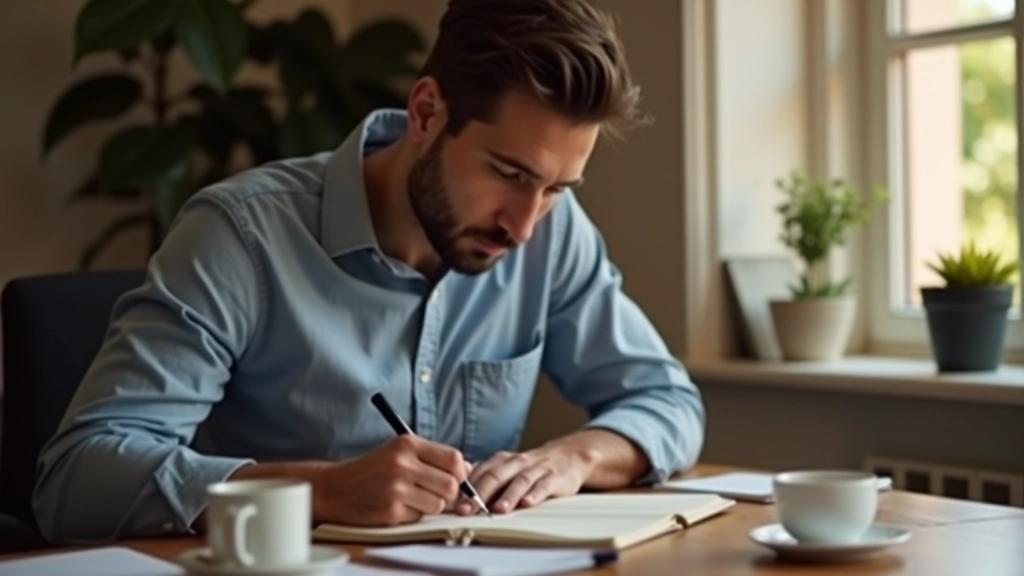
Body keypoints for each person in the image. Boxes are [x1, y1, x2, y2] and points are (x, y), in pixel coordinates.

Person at [32, 0, 705, 543]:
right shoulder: (240, 235)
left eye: (558, 187)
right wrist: (319, 490)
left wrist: (575, 457)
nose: (525, 225)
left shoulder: (552, 234)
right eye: (508, 173)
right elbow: (75, 477)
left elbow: (669, 403)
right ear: (425, 112)